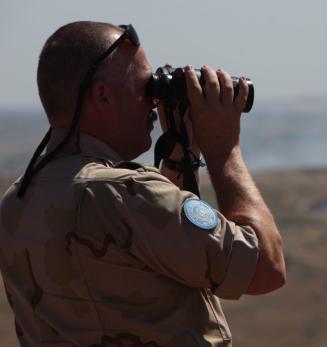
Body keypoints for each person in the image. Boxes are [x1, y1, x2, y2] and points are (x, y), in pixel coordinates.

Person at [0, 21, 286, 346]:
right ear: (103, 96)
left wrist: (180, 155)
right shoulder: (122, 195)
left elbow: (147, 246)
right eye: (145, 87)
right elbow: (266, 267)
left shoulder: (18, 201)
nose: (153, 101)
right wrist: (225, 150)